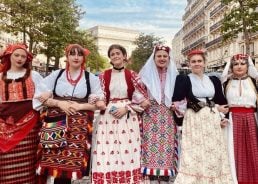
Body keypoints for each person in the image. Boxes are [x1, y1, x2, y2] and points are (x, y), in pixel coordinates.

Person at [36, 44, 105, 184]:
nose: (76, 57)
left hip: (78, 125)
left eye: (79, 54)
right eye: (72, 54)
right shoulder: (56, 75)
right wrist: (59, 103)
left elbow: (98, 103)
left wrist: (80, 106)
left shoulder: (90, 78)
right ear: (67, 57)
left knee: (70, 166)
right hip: (56, 120)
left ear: (83, 58)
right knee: (54, 161)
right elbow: (40, 97)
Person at [172, 50, 233, 184]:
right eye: (193, 61)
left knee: (213, 150)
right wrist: (211, 106)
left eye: (199, 61)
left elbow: (221, 99)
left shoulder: (214, 80)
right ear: (189, 64)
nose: (197, 64)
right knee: (195, 151)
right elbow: (178, 101)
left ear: (205, 63)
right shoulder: (183, 79)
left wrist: (223, 117)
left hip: (212, 119)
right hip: (194, 119)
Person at [91, 44, 148, 184]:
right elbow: (98, 95)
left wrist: (127, 108)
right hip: (107, 118)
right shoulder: (103, 75)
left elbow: (144, 99)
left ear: (124, 56)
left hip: (128, 117)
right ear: (110, 58)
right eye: (112, 54)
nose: (115, 56)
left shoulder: (133, 75)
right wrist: (100, 102)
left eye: (118, 53)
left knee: (127, 150)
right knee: (106, 151)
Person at [0, 43, 48, 184]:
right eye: (17, 55)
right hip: (4, 123)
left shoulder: (35, 75)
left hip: (30, 124)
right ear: (9, 56)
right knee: (5, 160)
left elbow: (45, 92)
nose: (20, 58)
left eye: (23, 56)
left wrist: (46, 94)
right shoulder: (1, 76)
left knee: (29, 160)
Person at [139, 45, 179, 183]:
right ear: (154, 58)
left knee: (166, 149)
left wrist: (177, 105)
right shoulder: (145, 75)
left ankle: (164, 178)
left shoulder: (174, 75)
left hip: (168, 116)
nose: (162, 58)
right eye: (159, 56)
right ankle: (151, 179)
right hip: (150, 115)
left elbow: (181, 96)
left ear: (169, 58)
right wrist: (142, 100)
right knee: (149, 147)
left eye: (165, 56)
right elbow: (137, 92)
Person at [221, 54, 258, 183]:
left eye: (243, 63)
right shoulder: (225, 83)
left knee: (253, 149)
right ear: (231, 67)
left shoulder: (254, 82)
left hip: (252, 119)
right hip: (232, 120)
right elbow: (221, 103)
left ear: (248, 66)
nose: (239, 66)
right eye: (236, 64)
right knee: (234, 151)